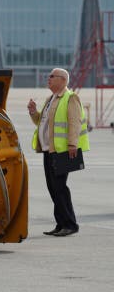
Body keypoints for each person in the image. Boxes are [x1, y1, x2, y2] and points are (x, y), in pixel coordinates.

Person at [27, 68, 88, 237]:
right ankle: (61, 223)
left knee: (60, 187)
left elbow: (74, 122)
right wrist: (33, 112)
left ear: (62, 79)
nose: (48, 78)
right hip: (49, 150)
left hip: (63, 150)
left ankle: (70, 224)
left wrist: (72, 145)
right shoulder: (51, 99)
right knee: (53, 188)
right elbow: (42, 122)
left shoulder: (70, 98)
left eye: (51, 76)